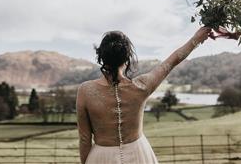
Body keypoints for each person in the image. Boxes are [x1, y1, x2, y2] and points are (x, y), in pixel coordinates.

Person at [76, 26, 212, 164]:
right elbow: (172, 61)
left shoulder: (85, 91)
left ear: (102, 57)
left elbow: (85, 139)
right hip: (139, 154)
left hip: (101, 157)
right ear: (127, 59)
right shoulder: (141, 86)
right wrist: (196, 39)